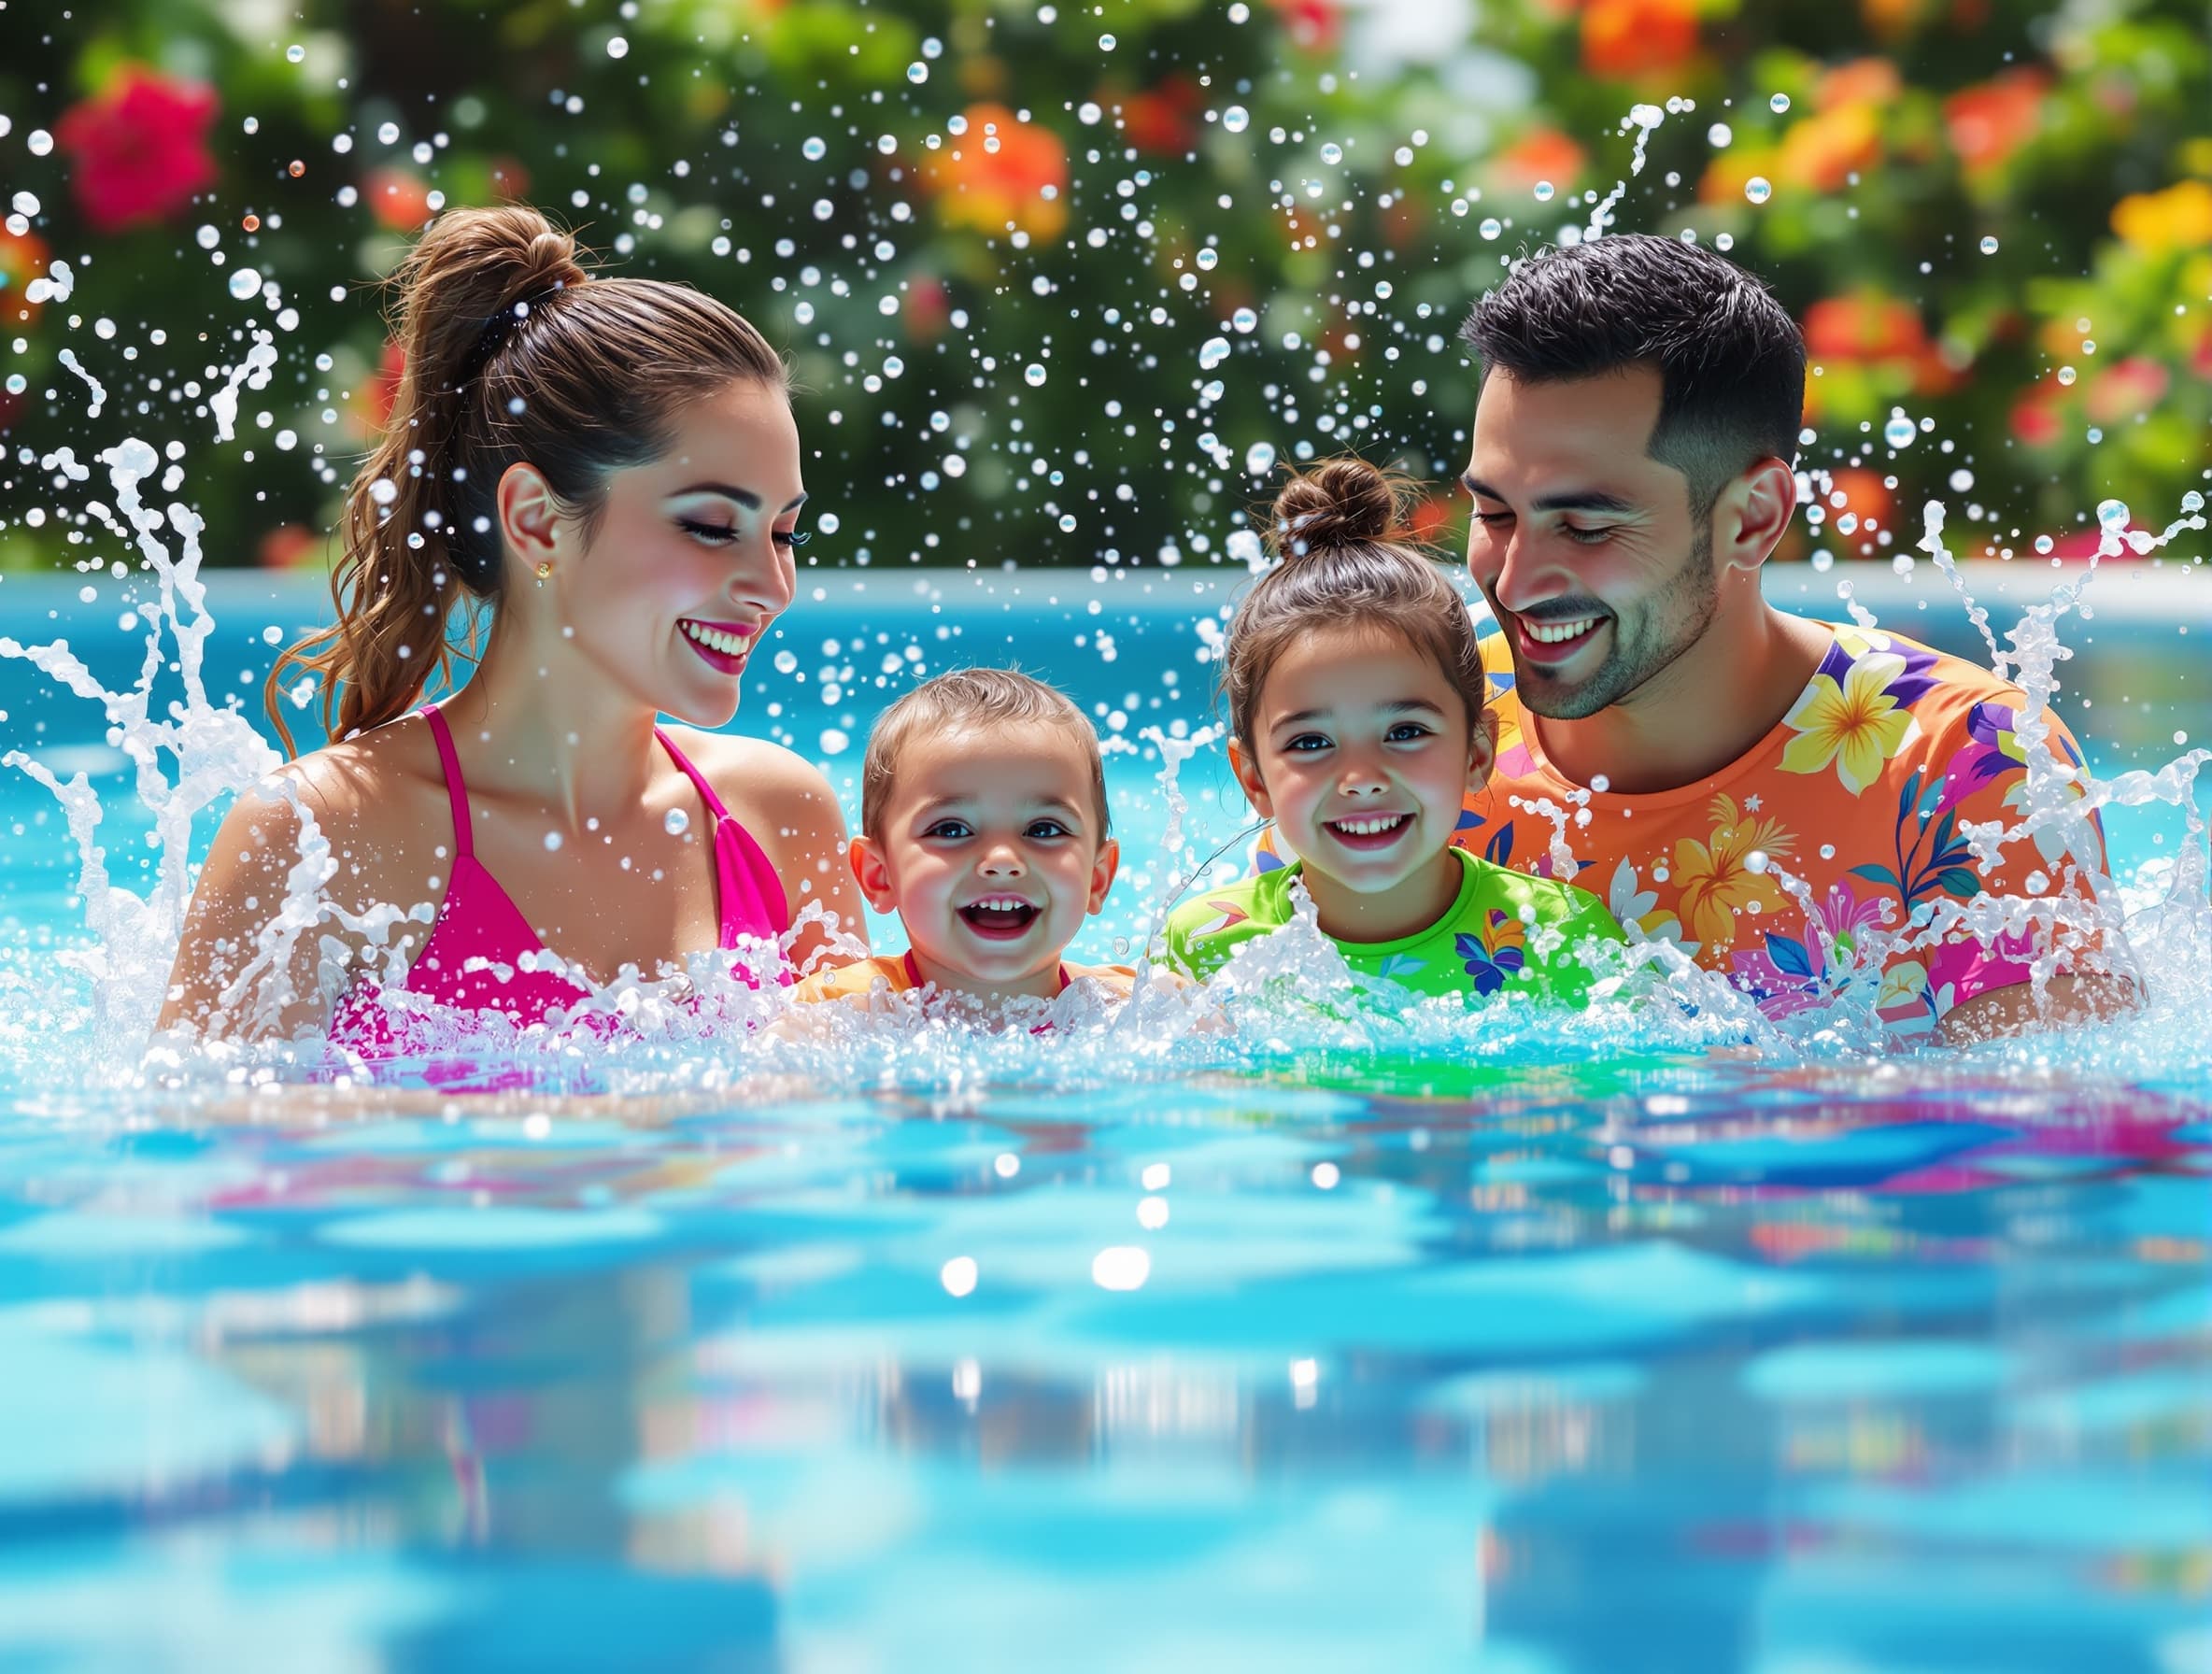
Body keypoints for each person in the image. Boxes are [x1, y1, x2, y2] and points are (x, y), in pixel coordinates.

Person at [1281, 232, 2120, 1041]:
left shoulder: (1967, 763)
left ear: (1752, 518)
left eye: (1586, 527)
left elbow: (2045, 1118)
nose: (1515, 581)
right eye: (1496, 515)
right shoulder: (1411, 723)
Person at [159, 205, 862, 1041]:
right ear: (535, 521)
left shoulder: (780, 818)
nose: (772, 587)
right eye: (712, 527)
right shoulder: (324, 839)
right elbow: (209, 1124)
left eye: (784, 534)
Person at [1169, 461, 1624, 1000]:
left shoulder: (1560, 940)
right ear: (1254, 779)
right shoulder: (1205, 947)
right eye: (1311, 743)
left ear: (1477, 751)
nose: (1362, 779)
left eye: (1405, 732)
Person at [794, 669, 1136, 1014]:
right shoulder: (836, 1011)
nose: (1002, 860)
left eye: (1044, 830)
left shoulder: (1127, 1007)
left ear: (1098, 877)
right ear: (879, 875)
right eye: (951, 830)